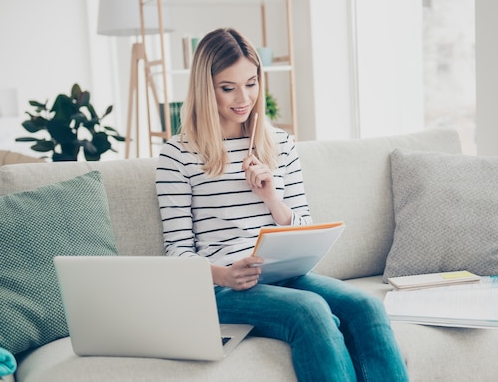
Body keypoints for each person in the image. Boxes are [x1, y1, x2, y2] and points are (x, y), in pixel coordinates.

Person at [156, 27, 408, 382]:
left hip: (286, 276)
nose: (243, 97)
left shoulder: (280, 144)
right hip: (223, 288)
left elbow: (304, 229)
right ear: (204, 88)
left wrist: (272, 196)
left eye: (251, 83)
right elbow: (176, 252)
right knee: (310, 311)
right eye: (228, 88)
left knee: (366, 306)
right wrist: (224, 274)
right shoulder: (178, 154)